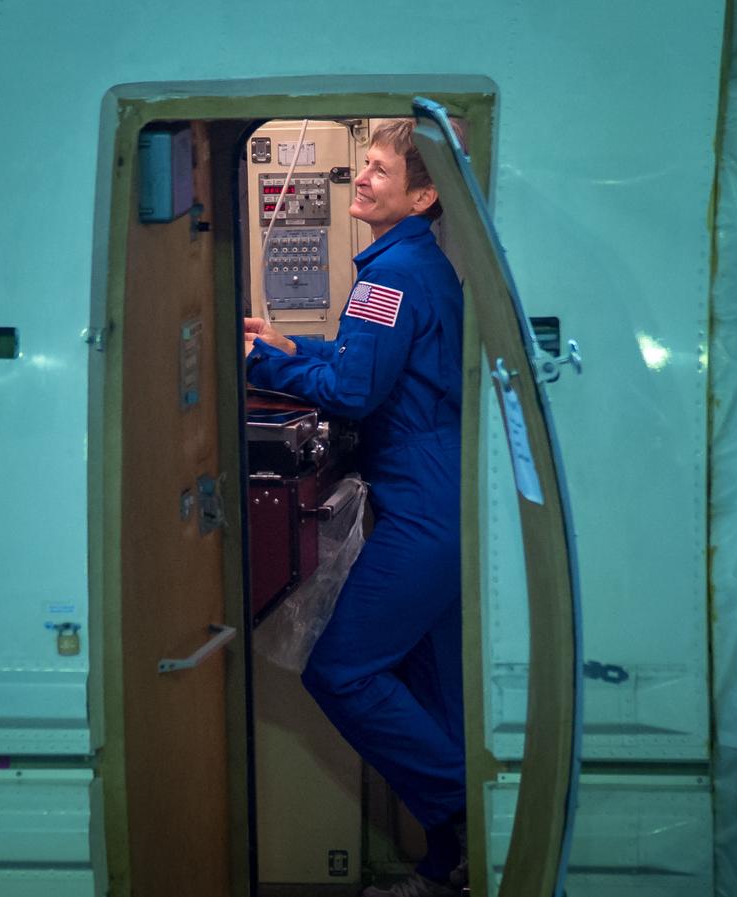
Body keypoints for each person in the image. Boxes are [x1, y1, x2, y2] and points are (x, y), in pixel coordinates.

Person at [244, 119, 466, 897]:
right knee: (432, 687)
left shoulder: (390, 278)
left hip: (423, 505)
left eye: (377, 169)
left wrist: (263, 360)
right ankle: (451, 866)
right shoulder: (410, 267)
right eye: (361, 165)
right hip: (436, 493)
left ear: (423, 194)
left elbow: (353, 390)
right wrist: (288, 345)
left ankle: (467, 812)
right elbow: (355, 360)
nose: (362, 179)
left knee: (341, 672)